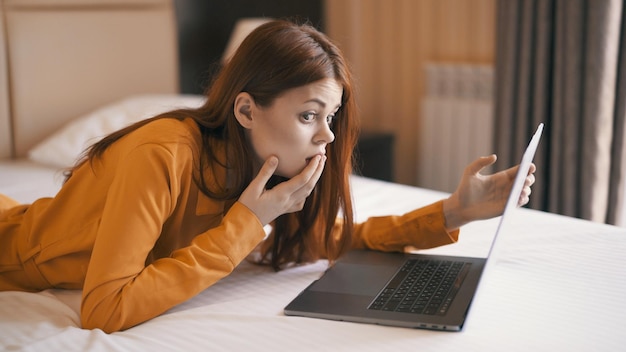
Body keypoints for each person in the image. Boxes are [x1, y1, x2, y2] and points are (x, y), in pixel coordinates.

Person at [0, 20, 536, 333]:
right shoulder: (159, 155)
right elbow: (105, 308)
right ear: (246, 110)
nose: (327, 136)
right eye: (309, 115)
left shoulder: (255, 169)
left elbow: (320, 241)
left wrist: (452, 212)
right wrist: (244, 225)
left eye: (330, 117)